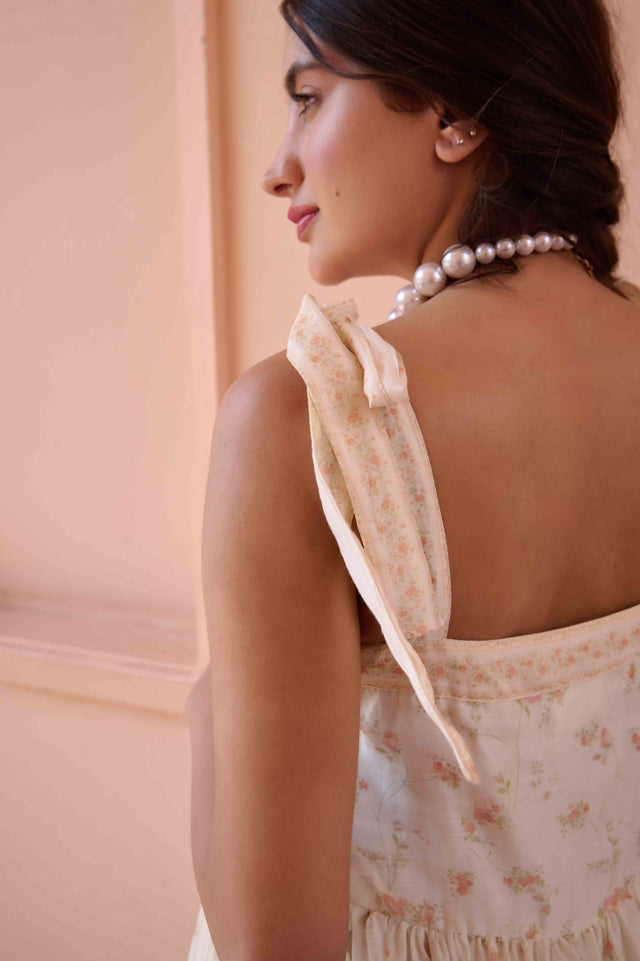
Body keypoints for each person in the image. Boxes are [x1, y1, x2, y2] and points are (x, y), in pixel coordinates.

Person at [186, 0, 640, 958]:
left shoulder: (308, 419)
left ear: (456, 115)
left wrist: (207, 710)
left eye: (309, 98)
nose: (277, 168)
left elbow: (274, 949)